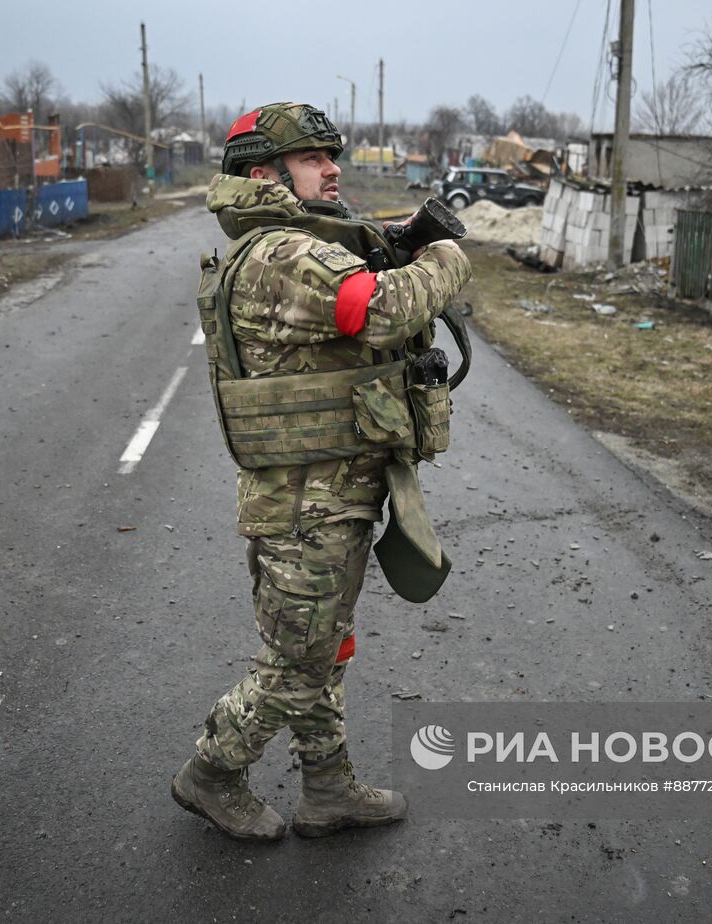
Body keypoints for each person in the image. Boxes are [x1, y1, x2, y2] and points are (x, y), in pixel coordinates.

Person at [171, 103, 471, 841]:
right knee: (296, 660)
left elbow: (352, 292)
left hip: (325, 491)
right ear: (265, 175)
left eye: (330, 155)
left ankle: (328, 787)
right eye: (314, 158)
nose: (332, 167)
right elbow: (377, 309)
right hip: (308, 501)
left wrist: (396, 243)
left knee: (325, 646)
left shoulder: (297, 242)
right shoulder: (282, 253)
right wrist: (444, 262)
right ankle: (212, 770)